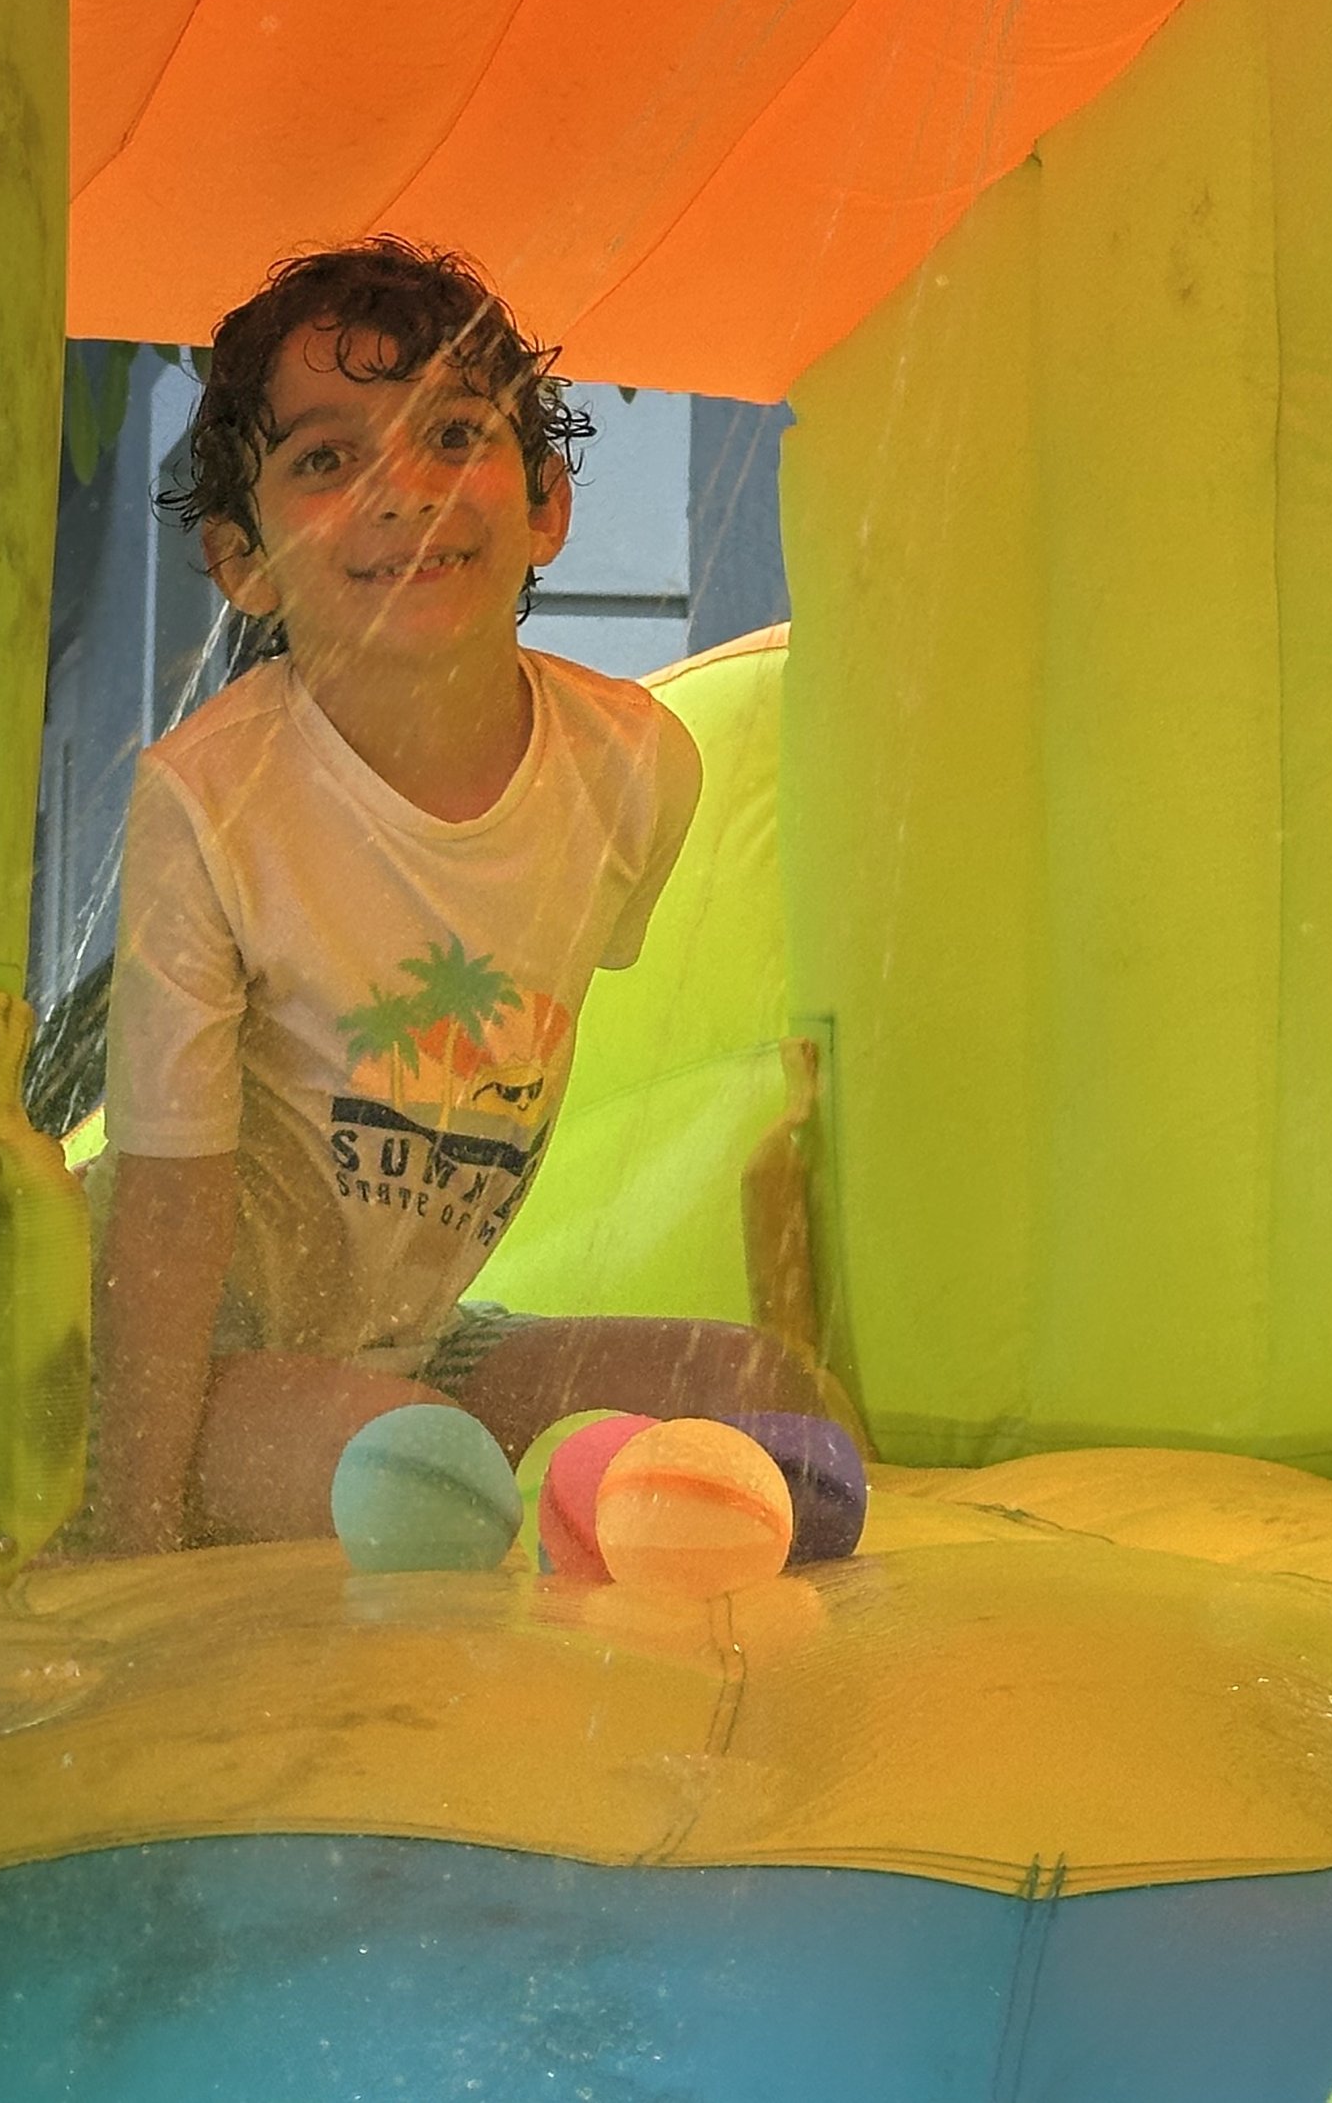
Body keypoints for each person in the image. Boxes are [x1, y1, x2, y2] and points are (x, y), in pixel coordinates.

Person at [81, 236, 822, 1556]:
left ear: (546, 505)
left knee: (772, 1406)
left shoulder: (635, 775)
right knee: (424, 1484)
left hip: (420, 1349)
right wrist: (127, 1534)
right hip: (189, 1367)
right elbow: (170, 1194)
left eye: (454, 434)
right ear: (243, 559)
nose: (404, 493)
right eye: (325, 458)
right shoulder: (211, 803)